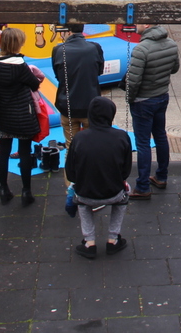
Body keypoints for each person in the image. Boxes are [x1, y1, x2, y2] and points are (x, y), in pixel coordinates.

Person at [65, 97, 133, 259]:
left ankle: (89, 242)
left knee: (80, 196)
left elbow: (70, 172)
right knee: (126, 190)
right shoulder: (122, 137)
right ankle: (113, 239)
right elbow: (126, 171)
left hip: (85, 194)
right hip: (113, 193)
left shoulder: (79, 138)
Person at [0, 27, 43, 206]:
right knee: (24, 152)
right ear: (17, 43)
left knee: (3, 152)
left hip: (3, 113)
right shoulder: (19, 65)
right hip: (22, 113)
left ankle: (3, 189)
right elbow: (34, 84)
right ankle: (26, 191)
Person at [125, 23, 180, 198]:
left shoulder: (141, 49)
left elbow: (133, 80)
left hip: (143, 101)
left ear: (147, 24)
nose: (135, 25)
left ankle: (142, 186)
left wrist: (130, 98)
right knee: (160, 136)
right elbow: (175, 69)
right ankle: (161, 176)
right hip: (162, 96)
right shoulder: (172, 44)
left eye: (138, 22)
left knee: (143, 143)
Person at [51, 22, 104, 159]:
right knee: (90, 146)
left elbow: (58, 75)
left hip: (67, 106)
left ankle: (70, 173)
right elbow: (99, 71)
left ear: (68, 31)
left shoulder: (58, 50)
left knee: (71, 147)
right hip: (90, 105)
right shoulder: (95, 48)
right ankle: (90, 172)